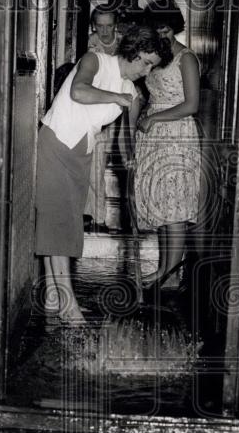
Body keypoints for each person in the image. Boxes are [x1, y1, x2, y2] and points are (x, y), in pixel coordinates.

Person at [34, 25, 167, 324]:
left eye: (152, 67)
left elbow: (125, 135)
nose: (146, 72)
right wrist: (115, 97)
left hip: (82, 151)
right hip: (57, 141)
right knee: (60, 222)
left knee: (64, 222)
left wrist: (130, 158)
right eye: (145, 62)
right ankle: (69, 306)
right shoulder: (94, 60)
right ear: (133, 51)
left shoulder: (131, 91)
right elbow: (78, 91)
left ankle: (54, 296)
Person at [131, 0, 202, 291]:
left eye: (165, 28)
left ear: (173, 28)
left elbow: (192, 105)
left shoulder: (186, 58)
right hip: (156, 134)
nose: (161, 34)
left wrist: (155, 117)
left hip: (177, 135)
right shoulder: (157, 56)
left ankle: (171, 273)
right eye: (156, 28)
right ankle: (165, 269)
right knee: (163, 204)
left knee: (176, 206)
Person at [85, 4, 123, 231]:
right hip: (96, 109)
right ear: (94, 26)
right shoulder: (91, 43)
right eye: (100, 26)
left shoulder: (123, 44)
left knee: (108, 160)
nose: (105, 31)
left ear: (115, 26)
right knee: (95, 163)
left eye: (109, 26)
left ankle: (99, 216)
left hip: (119, 110)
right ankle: (96, 217)